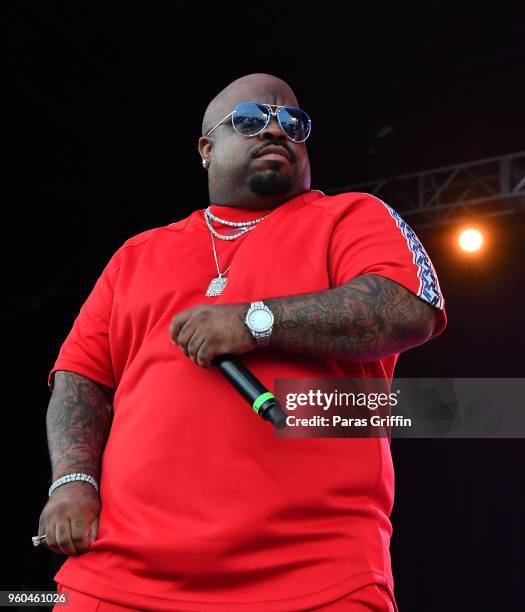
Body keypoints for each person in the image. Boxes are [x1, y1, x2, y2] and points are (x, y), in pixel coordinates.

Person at [38, 73, 446, 611]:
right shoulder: (138, 254)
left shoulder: (351, 216)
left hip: (315, 575)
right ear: (207, 149)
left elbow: (406, 309)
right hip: (119, 574)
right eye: (251, 121)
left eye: (292, 124)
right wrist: (71, 481)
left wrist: (256, 321)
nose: (275, 131)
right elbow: (81, 376)